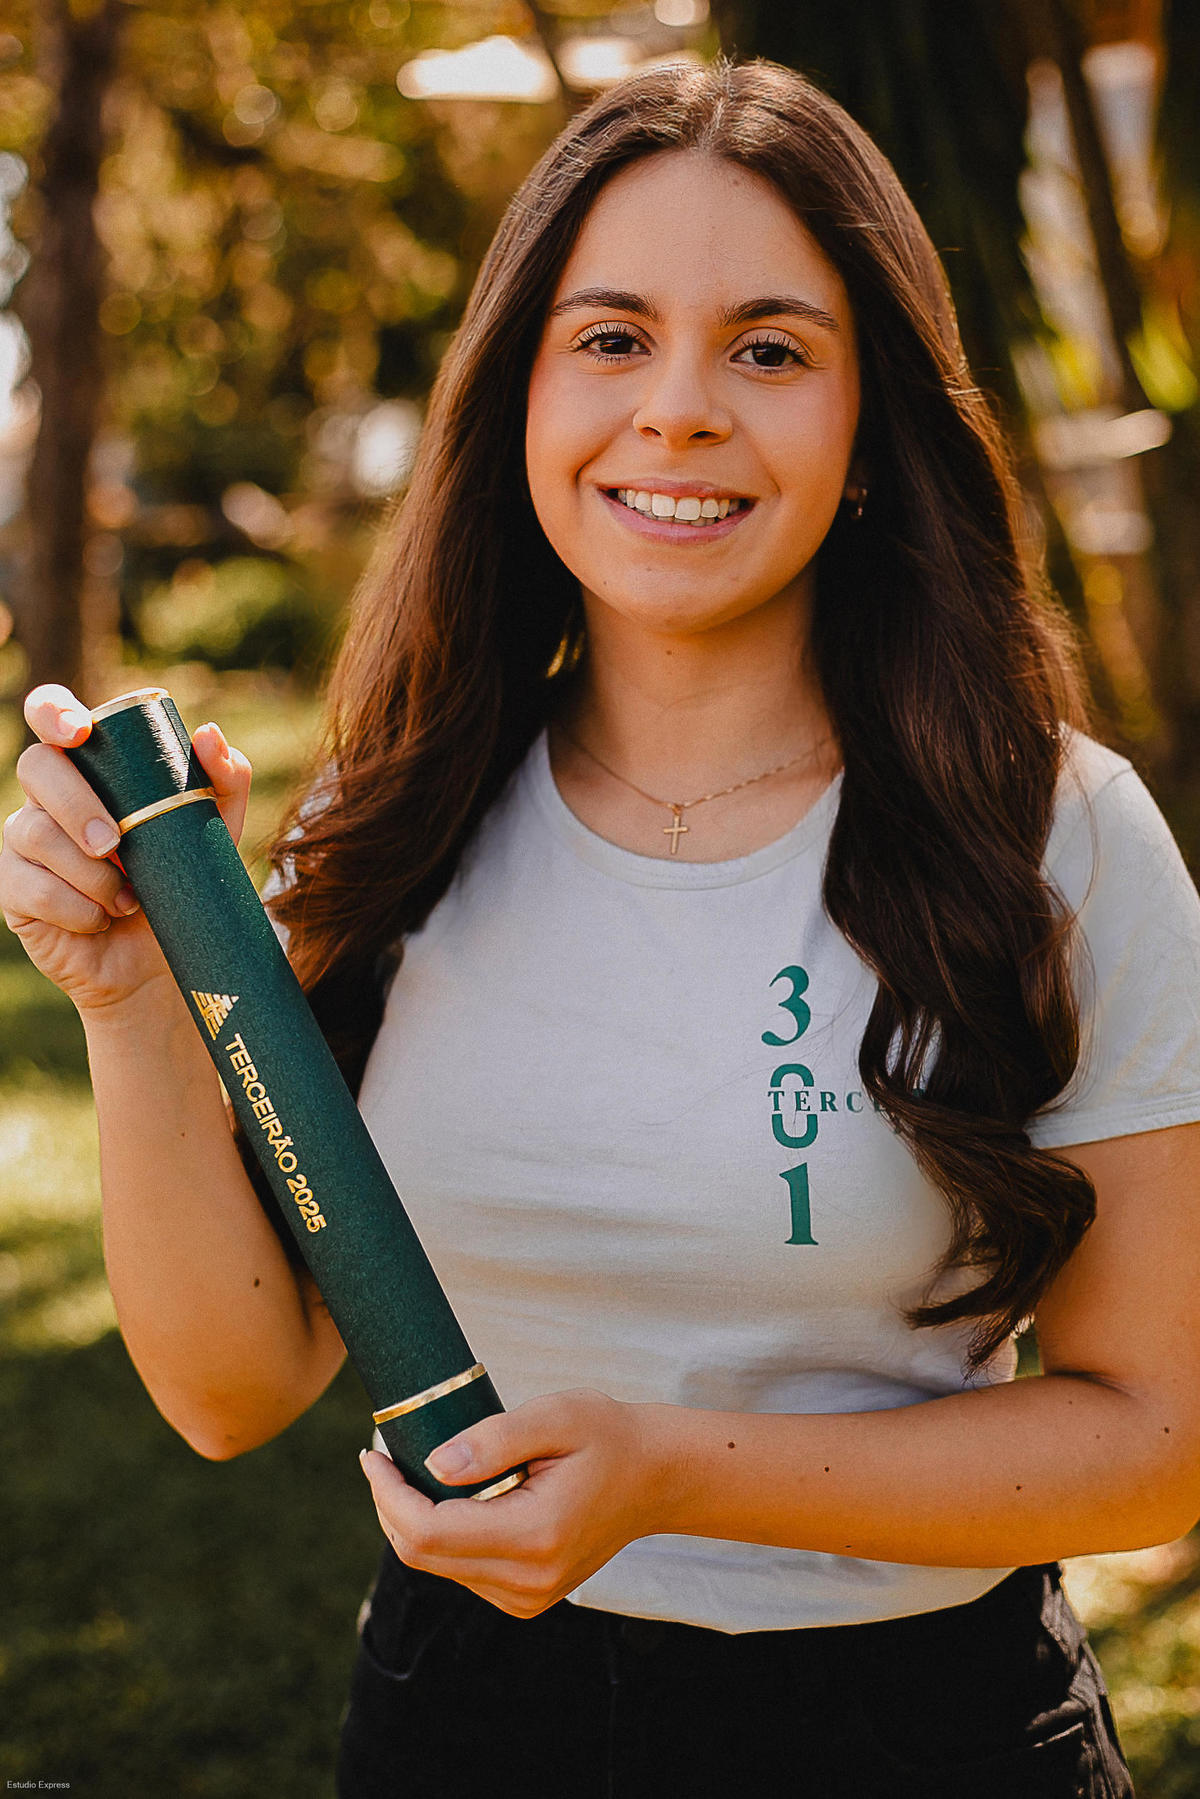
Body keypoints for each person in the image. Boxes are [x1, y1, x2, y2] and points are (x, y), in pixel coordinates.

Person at [3, 55, 1198, 1799]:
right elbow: (233, 1389)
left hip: (921, 1729)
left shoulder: (1055, 834)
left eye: (771, 350)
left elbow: (1158, 1441)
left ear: (872, 434)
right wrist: (127, 1000)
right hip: (462, 1717)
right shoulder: (388, 828)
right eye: (613, 337)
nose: (680, 412)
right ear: (520, 396)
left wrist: (673, 1473)